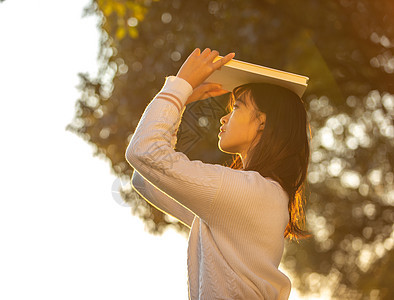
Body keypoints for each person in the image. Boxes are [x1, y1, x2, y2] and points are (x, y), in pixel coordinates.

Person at [125, 48, 310, 300]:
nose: (223, 119)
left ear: (262, 122)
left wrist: (180, 88)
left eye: (237, 108)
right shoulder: (252, 195)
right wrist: (180, 103)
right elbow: (146, 180)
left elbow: (144, 152)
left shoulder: (249, 192)